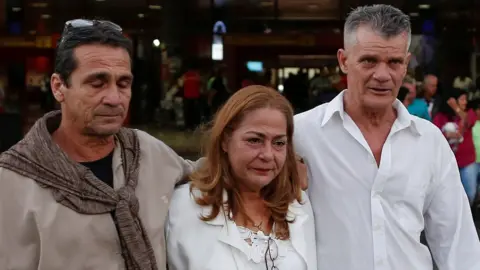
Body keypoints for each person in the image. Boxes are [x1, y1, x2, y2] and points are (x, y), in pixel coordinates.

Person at [0, 19, 199, 270]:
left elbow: (209, 178)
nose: (115, 98)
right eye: (97, 83)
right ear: (59, 87)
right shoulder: (12, 182)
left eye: (123, 83)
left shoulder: (148, 152)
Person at [294, 5, 480, 270]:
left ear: (405, 65)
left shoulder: (428, 141)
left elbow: (458, 244)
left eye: (394, 62)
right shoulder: (300, 134)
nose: (382, 75)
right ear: (344, 60)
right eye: (369, 60)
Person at [166, 85, 317, 270]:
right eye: (254, 140)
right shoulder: (185, 206)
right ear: (225, 141)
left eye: (279, 143)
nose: (268, 155)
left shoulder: (297, 204)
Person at [433, 89, 478, 205]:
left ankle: (468, 217)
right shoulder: (440, 117)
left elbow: (469, 122)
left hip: (467, 162)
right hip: (447, 163)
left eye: (465, 99)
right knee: (449, 196)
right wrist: (446, 134)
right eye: (462, 99)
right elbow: (433, 135)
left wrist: (456, 108)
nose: (465, 102)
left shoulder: (469, 113)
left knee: (470, 192)